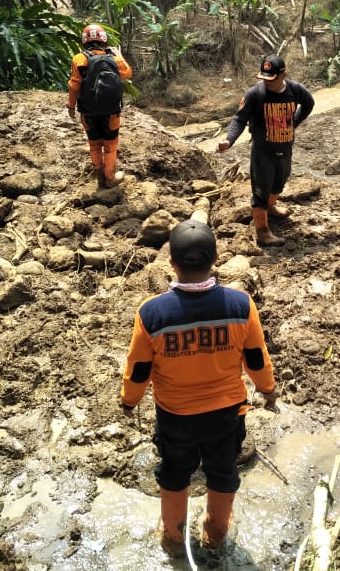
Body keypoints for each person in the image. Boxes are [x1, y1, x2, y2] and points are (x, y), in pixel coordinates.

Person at [120, 219, 278, 558]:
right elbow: (255, 358)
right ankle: (215, 535)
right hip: (225, 415)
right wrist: (268, 390)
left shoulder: (151, 313)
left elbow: (139, 369)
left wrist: (129, 402)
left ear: (172, 264)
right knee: (223, 471)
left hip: (176, 416)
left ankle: (173, 538)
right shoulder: (240, 305)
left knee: (175, 472)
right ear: (215, 258)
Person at [217, 55, 315, 247]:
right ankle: (262, 231)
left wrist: (294, 122)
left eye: (271, 79)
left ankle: (270, 208)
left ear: (282, 74)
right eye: (264, 78)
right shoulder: (254, 95)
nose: (266, 83)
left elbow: (309, 104)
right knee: (261, 190)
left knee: (279, 183)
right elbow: (239, 119)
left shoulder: (295, 90)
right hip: (263, 151)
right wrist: (229, 140)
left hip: (285, 148)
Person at [66, 23, 133, 188]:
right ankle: (110, 178)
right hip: (111, 111)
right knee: (110, 146)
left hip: (88, 111)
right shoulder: (113, 58)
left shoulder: (79, 59)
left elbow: (74, 86)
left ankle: (100, 178)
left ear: (85, 41)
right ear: (104, 40)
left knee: (94, 145)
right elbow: (127, 73)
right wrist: (118, 54)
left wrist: (71, 106)